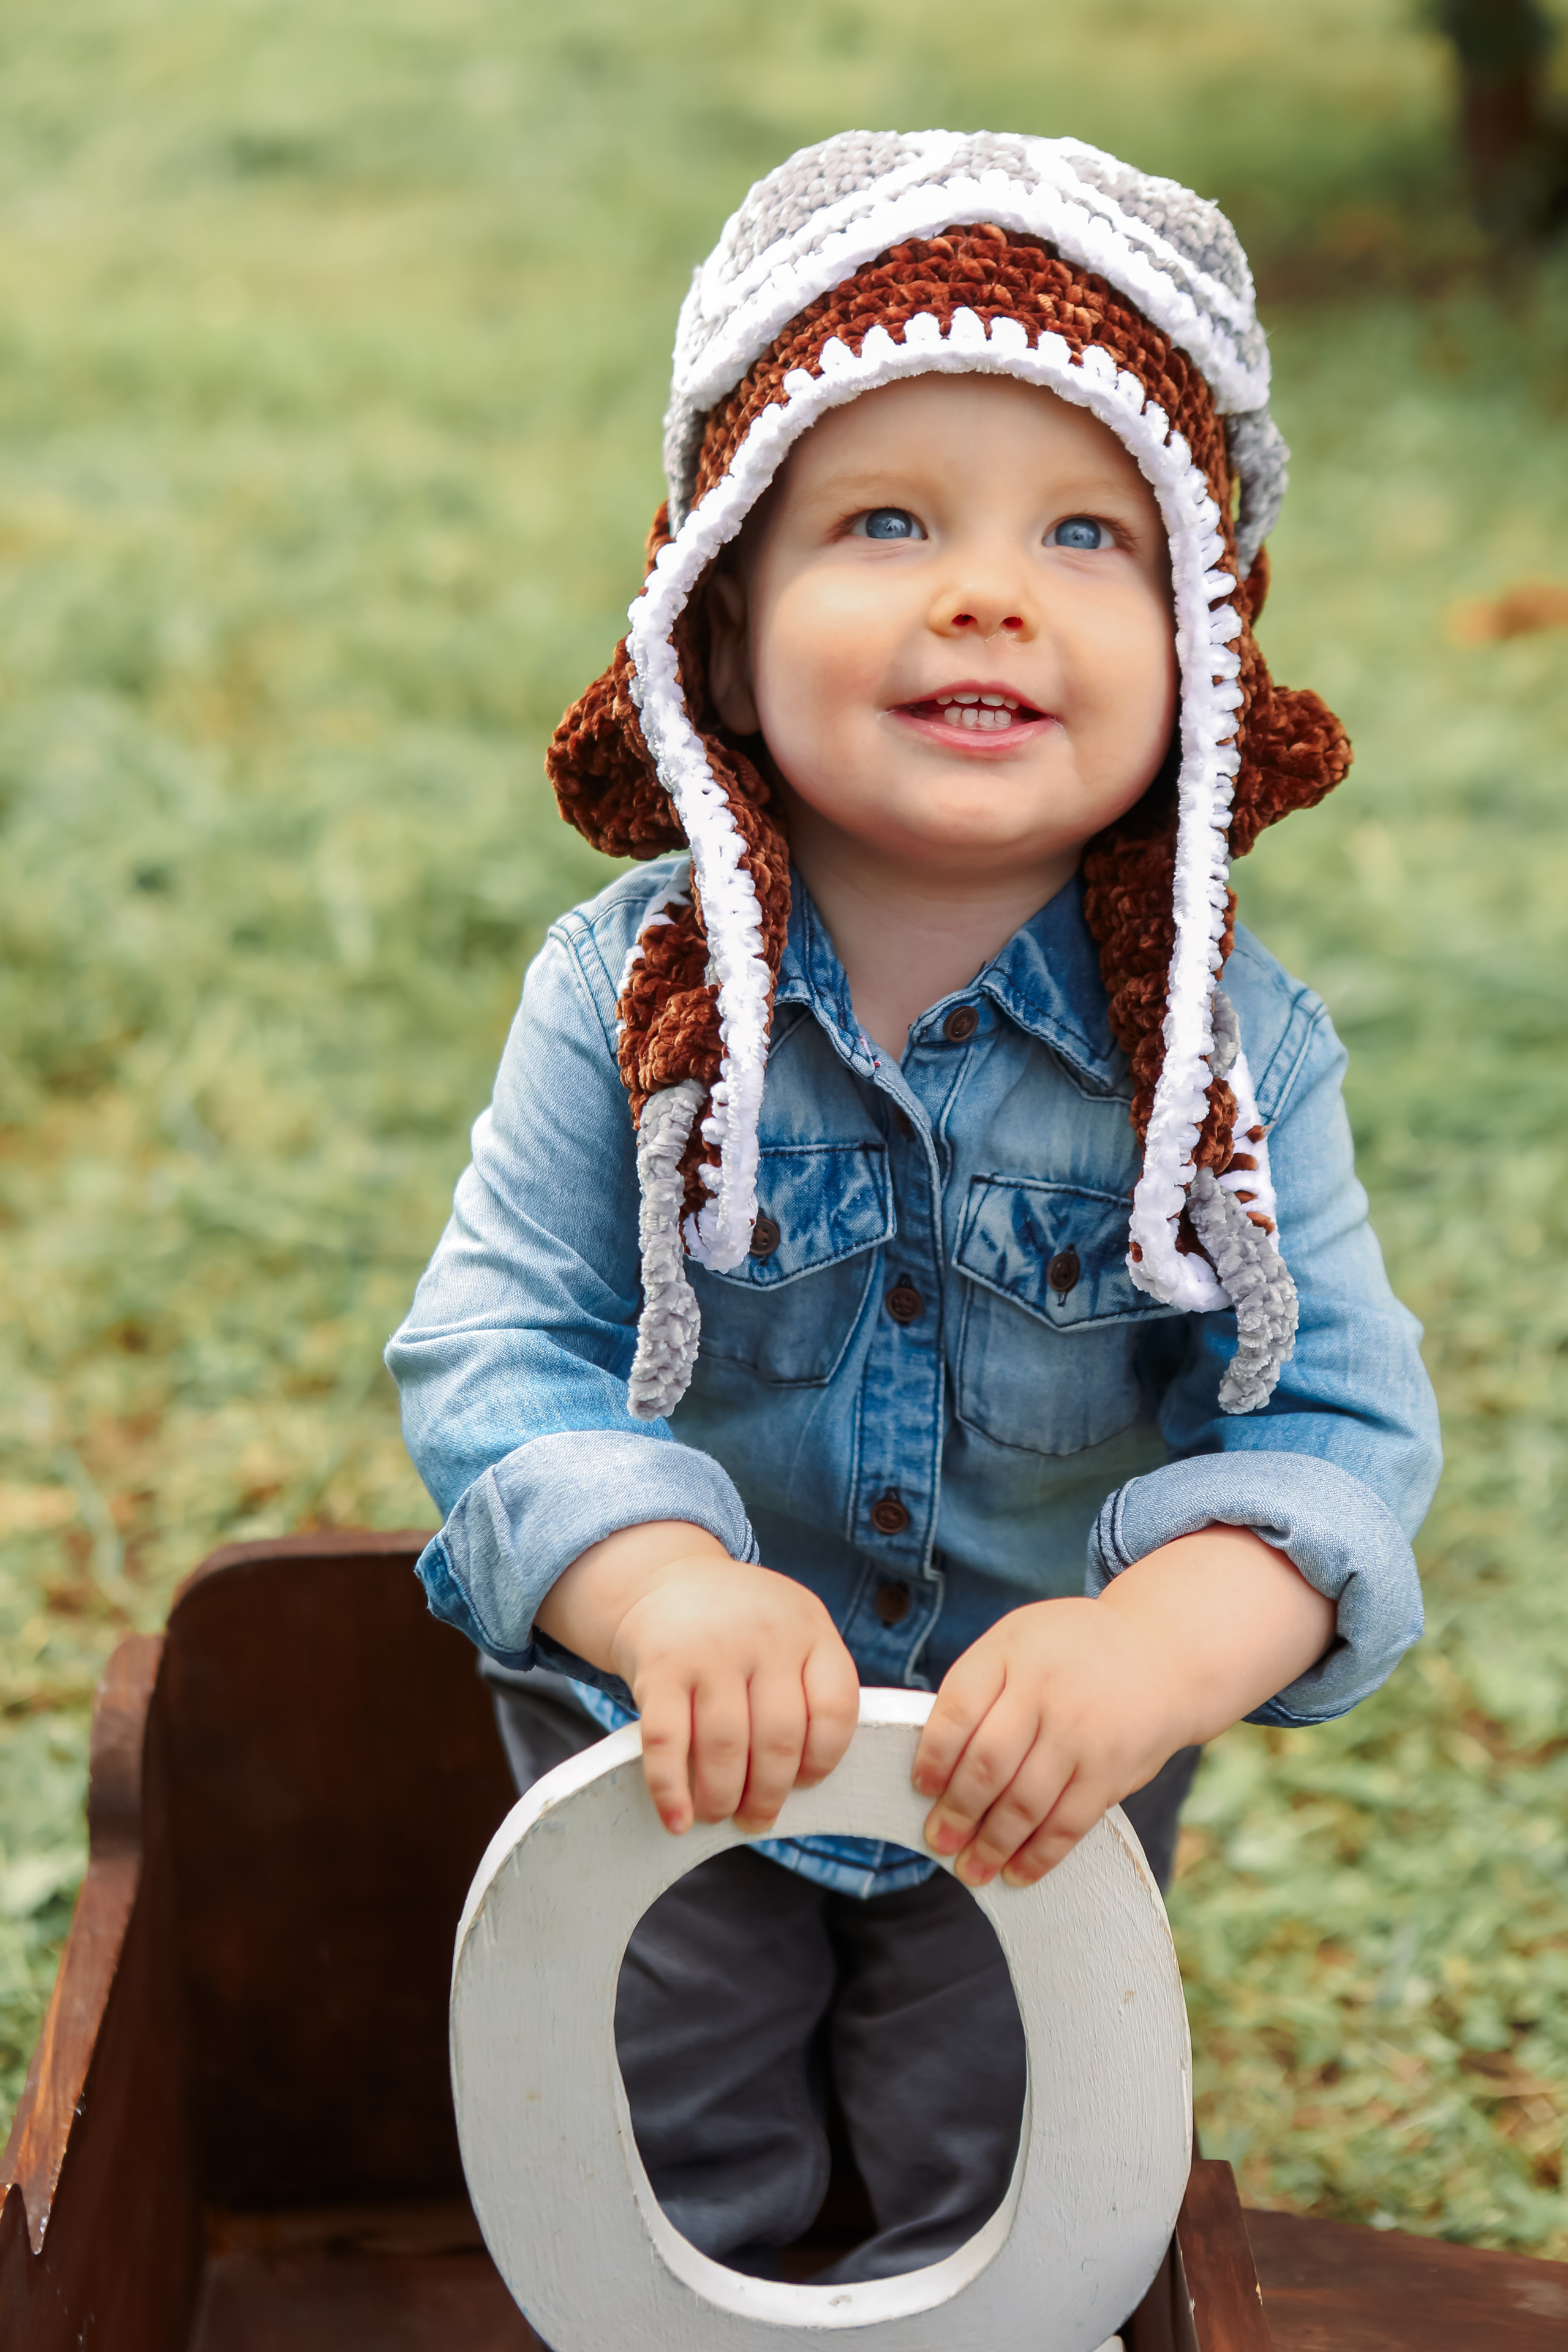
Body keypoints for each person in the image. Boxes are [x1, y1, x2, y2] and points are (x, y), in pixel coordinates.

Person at [388, 131, 1441, 2287]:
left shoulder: (1233, 1067)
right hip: (662, 1765)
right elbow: (494, 1353)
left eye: (1087, 531)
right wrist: (666, 1589)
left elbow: (1335, 1440)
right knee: (664, 2177)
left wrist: (1152, 1653)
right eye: (886, 521)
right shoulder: (629, 1005)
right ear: (720, 612)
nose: (992, 591)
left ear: (1205, 647)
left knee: (1012, 2194)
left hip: (1032, 1784)